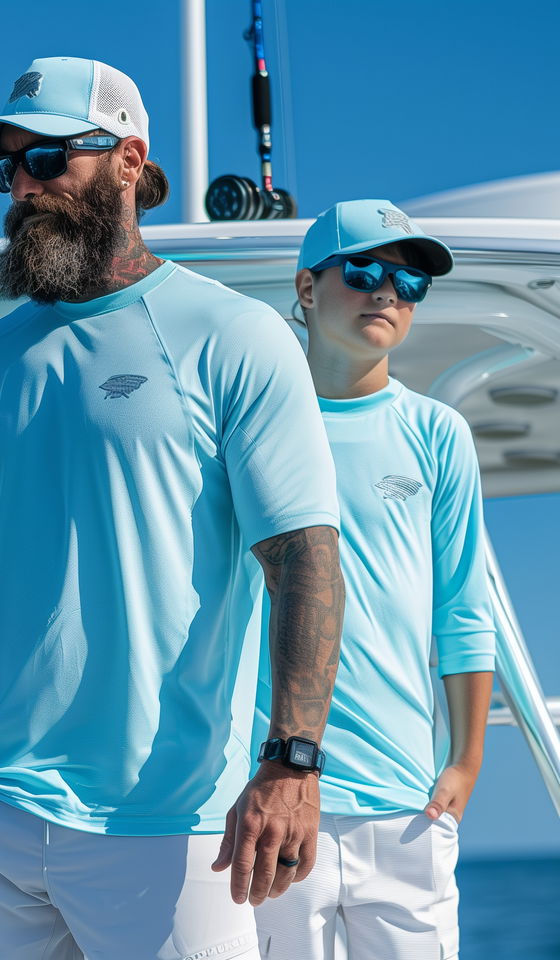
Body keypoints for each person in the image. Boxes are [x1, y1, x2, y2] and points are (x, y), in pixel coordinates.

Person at [0, 57, 345, 960]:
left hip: (168, 824)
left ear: (128, 159)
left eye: (49, 158)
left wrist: (292, 761)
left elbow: (303, 556)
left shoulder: (234, 335)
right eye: (8, 166)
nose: (24, 186)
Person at [252, 200, 496, 959]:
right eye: (362, 271)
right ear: (306, 287)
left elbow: (463, 608)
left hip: (406, 802)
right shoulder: (249, 426)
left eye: (410, 282)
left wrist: (465, 762)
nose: (387, 292)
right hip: (273, 791)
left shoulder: (438, 434)